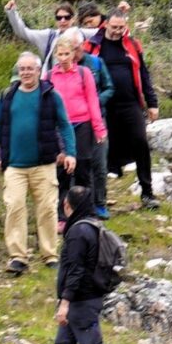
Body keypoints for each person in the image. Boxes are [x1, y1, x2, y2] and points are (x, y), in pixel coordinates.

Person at [0, 52, 76, 274]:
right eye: (22, 69)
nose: (26, 72)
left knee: (47, 209)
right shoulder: (7, 95)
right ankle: (18, 256)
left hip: (44, 164)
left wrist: (70, 153)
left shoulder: (50, 95)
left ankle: (49, 254)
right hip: (14, 166)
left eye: (30, 68)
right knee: (15, 207)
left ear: (39, 71)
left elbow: (65, 125)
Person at [51, 184, 115, 344]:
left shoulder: (78, 232)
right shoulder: (92, 226)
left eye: (65, 203)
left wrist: (65, 302)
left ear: (69, 205)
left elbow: (76, 270)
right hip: (85, 299)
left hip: (82, 301)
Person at [92, 3, 157, 212]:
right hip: (104, 106)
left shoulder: (132, 45)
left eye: (121, 28)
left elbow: (144, 74)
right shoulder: (94, 46)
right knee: (103, 151)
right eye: (114, 27)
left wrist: (152, 102)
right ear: (106, 25)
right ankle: (98, 200)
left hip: (131, 103)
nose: (118, 31)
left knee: (140, 142)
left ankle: (147, 193)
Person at [46, 30, 111, 222]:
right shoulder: (49, 77)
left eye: (68, 54)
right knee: (62, 172)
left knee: (83, 170)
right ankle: (61, 215)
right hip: (60, 128)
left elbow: (93, 101)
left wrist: (99, 128)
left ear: (74, 54)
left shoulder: (84, 74)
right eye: (61, 54)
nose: (64, 58)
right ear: (55, 55)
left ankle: (86, 212)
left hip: (83, 125)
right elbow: (46, 105)